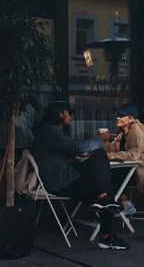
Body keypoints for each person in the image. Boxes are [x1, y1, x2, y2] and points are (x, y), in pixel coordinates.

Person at [31, 101, 129, 250]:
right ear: (59, 114)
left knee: (102, 181)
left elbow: (72, 149)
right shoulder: (50, 131)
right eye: (68, 113)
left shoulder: (48, 132)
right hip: (59, 182)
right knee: (105, 185)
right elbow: (78, 147)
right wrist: (101, 139)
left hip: (62, 178)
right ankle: (106, 236)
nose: (70, 117)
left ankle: (104, 212)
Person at [104, 103, 144, 242]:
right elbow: (112, 149)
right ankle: (126, 204)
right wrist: (105, 140)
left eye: (121, 116)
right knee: (112, 174)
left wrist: (112, 156)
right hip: (135, 170)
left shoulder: (135, 129)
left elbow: (134, 154)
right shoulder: (122, 133)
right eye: (117, 115)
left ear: (131, 118)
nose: (117, 118)